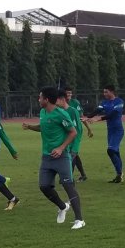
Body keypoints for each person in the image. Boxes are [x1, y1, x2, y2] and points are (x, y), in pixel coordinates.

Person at [23, 86, 85, 229]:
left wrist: (61, 148)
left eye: (40, 97)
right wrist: (30, 127)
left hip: (62, 157)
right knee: (44, 186)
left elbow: (73, 132)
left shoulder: (61, 114)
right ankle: (63, 206)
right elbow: (44, 126)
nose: (38, 100)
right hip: (46, 157)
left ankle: (79, 220)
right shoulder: (43, 112)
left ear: (46, 99)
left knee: (68, 186)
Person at [83, 85, 125, 183]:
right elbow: (97, 110)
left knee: (110, 150)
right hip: (110, 131)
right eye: (104, 92)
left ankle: (119, 173)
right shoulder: (104, 102)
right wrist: (87, 117)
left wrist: (99, 119)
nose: (104, 94)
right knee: (115, 152)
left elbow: (113, 114)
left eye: (106, 92)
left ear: (112, 92)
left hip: (118, 130)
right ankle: (119, 175)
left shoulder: (119, 101)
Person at [66, 87, 93, 181]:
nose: (69, 95)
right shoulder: (60, 105)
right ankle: (83, 175)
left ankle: (69, 177)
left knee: (72, 154)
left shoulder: (75, 103)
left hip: (76, 131)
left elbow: (82, 117)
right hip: (67, 132)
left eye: (70, 93)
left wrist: (89, 128)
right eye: (67, 93)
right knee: (74, 153)